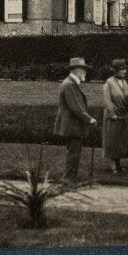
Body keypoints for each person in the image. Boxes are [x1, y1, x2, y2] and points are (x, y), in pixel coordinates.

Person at [53, 57, 97, 185]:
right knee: (73, 154)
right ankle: (68, 180)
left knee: (74, 153)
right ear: (74, 70)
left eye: (84, 69)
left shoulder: (71, 83)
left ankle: (70, 179)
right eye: (82, 69)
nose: (84, 72)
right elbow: (76, 107)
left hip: (73, 125)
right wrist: (90, 119)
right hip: (72, 125)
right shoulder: (69, 84)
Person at [102, 59, 128, 174]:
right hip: (114, 115)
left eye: (125, 69)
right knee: (112, 140)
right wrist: (112, 114)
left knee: (121, 141)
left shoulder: (124, 82)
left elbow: (127, 100)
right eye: (122, 69)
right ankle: (113, 165)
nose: (124, 71)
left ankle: (119, 164)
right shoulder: (109, 83)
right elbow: (107, 100)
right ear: (116, 70)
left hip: (123, 114)